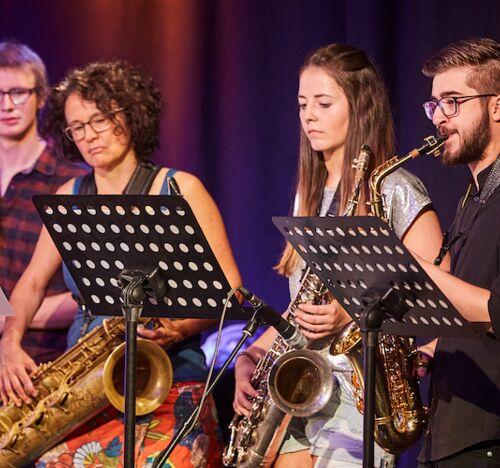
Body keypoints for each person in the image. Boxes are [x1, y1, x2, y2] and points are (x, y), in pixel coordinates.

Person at [0, 60, 242, 467]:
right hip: (84, 388)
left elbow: (231, 291)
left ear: (131, 115)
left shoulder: (180, 188)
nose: (89, 135)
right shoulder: (68, 195)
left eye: (100, 120)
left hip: (170, 380)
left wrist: (178, 327)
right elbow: (31, 284)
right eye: (77, 126)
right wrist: (10, 343)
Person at [232, 44, 447, 468]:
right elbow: (303, 309)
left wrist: (350, 314)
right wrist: (251, 356)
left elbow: (438, 294)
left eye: (324, 103)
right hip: (299, 387)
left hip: (358, 396)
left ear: (361, 107)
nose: (309, 116)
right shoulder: (309, 194)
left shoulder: (394, 188)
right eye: (302, 104)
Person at [414, 38, 500, 467]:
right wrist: (434, 347)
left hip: (487, 436)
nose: (439, 118)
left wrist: (414, 272)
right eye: (434, 105)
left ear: (497, 106)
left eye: (453, 102)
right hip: (450, 434)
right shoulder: (474, 195)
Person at [0, 40, 87, 364]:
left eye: (18, 93)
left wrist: (10, 319)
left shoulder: (72, 182)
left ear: (40, 97)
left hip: (42, 362)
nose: (7, 105)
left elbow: (94, 295)